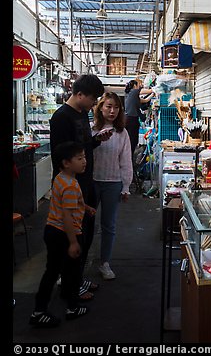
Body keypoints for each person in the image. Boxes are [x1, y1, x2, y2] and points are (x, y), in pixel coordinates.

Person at [49, 74, 112, 301]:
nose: (94, 103)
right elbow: (62, 156)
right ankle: (70, 286)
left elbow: (81, 146)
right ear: (79, 94)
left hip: (86, 182)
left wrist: (96, 140)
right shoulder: (61, 118)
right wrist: (72, 187)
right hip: (71, 185)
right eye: (93, 99)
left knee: (84, 234)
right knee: (73, 236)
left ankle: (77, 277)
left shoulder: (81, 114)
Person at [29, 141, 96, 327]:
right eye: (80, 158)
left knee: (55, 271)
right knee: (70, 273)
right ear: (66, 163)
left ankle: (43, 309)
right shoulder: (71, 186)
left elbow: (67, 204)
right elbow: (67, 215)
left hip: (52, 231)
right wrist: (73, 242)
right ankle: (63, 309)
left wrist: (86, 207)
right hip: (65, 234)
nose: (85, 161)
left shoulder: (61, 178)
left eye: (84, 157)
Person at [91, 92, 133, 280]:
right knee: (84, 225)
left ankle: (104, 263)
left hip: (113, 183)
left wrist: (126, 186)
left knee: (109, 225)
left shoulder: (121, 133)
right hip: (91, 182)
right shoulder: (90, 129)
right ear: (100, 107)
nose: (112, 110)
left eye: (116, 107)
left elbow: (126, 161)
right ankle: (77, 264)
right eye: (108, 106)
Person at [124, 79, 155, 157]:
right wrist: (154, 89)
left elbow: (145, 100)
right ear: (134, 86)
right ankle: (129, 159)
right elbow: (145, 91)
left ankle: (130, 158)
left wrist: (152, 94)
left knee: (133, 140)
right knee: (132, 141)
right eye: (138, 85)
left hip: (131, 119)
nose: (140, 87)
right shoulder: (133, 92)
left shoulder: (132, 96)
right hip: (131, 120)